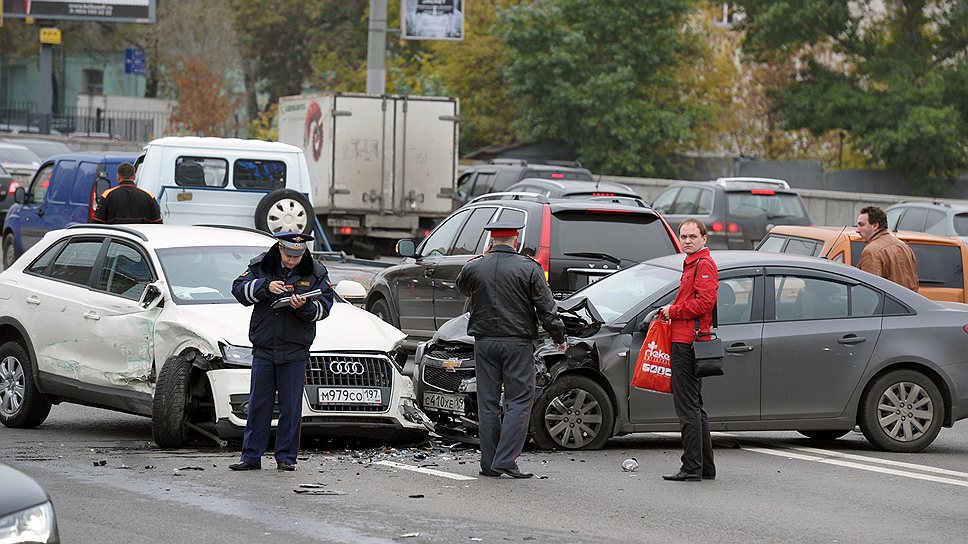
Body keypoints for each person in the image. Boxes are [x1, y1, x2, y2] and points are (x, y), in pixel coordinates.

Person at [456, 221, 568, 479]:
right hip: (516, 342)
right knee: (519, 400)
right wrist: (559, 337)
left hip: (484, 342)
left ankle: (489, 464)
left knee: (487, 403)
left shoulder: (475, 266)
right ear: (516, 241)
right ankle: (505, 460)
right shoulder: (529, 268)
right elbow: (546, 307)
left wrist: (483, 258)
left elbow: (463, 287)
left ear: (491, 241)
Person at [228, 232, 335, 472]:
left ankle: (286, 458)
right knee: (258, 406)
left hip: (295, 349)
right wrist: (265, 286)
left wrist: (304, 307)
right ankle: (251, 457)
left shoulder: (316, 271)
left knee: (291, 408)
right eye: (288, 255)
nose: (292, 260)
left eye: (298, 256)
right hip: (264, 348)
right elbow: (238, 290)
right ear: (279, 248)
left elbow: (325, 307)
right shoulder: (261, 265)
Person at [659, 218, 718, 482]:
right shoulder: (692, 263)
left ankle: (692, 467)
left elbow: (705, 302)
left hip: (687, 342)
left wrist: (673, 311)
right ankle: (704, 467)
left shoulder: (703, 264)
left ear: (704, 239)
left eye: (693, 236)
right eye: (683, 236)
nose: (687, 241)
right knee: (695, 406)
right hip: (688, 340)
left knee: (687, 408)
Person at [856, 206, 918, 291]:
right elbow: (914, 282)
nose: (857, 230)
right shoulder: (904, 247)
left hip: (887, 299)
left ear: (875, 226)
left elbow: (870, 290)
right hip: (907, 299)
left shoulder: (871, 251)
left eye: (861, 225)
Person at [92, 162, 163, 224]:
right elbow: (157, 224)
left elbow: (98, 222)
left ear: (118, 177)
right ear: (134, 177)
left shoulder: (107, 195)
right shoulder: (148, 196)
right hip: (141, 235)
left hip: (116, 234)